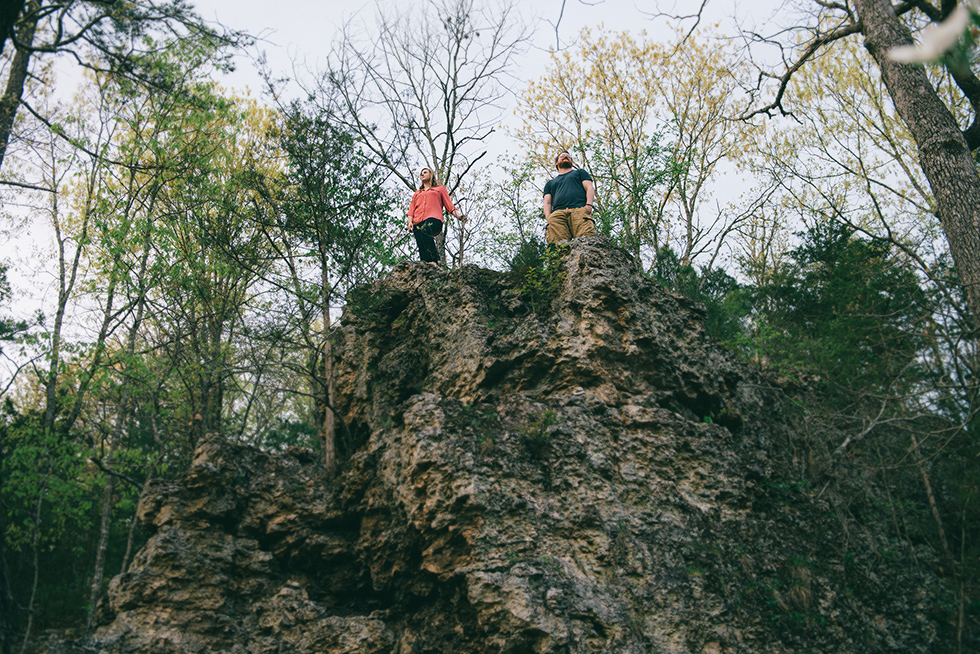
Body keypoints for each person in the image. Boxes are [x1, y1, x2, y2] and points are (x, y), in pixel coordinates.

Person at [406, 167, 463, 265]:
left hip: (434, 218)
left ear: (431, 175)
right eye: (421, 173)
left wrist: (459, 216)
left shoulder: (439, 189)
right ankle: (425, 265)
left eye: (425, 172)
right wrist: (409, 223)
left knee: (425, 230)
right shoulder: (417, 193)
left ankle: (435, 260)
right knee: (421, 243)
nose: (422, 174)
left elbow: (449, 205)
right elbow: (411, 210)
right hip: (417, 220)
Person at [542, 150, 596, 243]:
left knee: (588, 240)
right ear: (556, 163)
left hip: (579, 210)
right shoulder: (550, 183)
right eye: (562, 156)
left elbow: (589, 188)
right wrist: (549, 218)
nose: (566, 157)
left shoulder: (579, 173)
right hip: (557, 214)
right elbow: (547, 202)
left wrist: (589, 205)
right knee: (558, 245)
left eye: (568, 156)